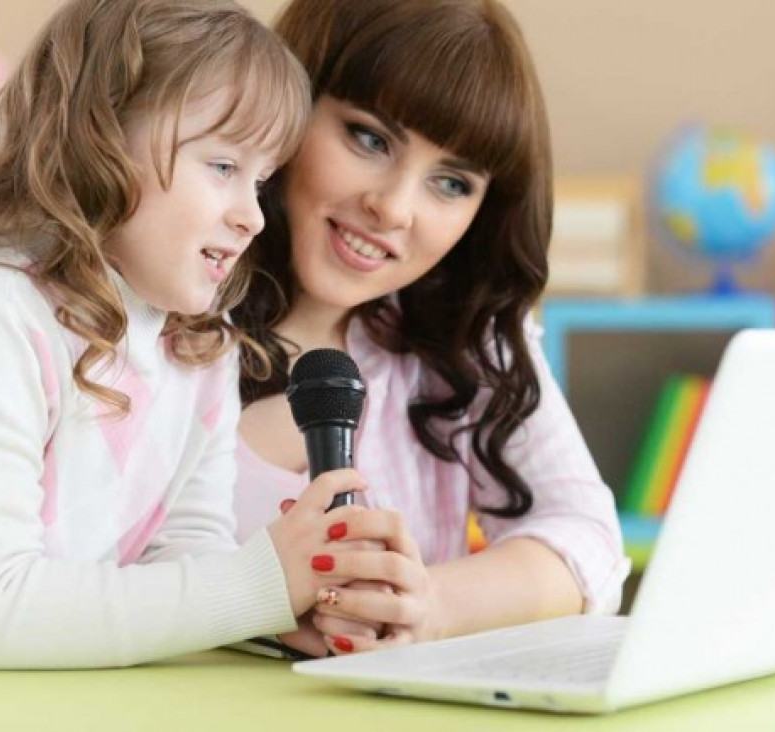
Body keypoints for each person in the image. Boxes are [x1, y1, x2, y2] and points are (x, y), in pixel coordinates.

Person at [0, 0, 374, 679]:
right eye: (222, 166)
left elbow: (182, 558)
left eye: (261, 180)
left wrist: (276, 608)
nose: (251, 217)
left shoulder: (196, 348)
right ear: (98, 142)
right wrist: (260, 583)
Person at [231, 0, 630, 658]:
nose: (391, 208)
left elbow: (585, 538)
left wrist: (428, 607)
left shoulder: (465, 337)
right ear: (288, 103)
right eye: (368, 138)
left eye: (450, 183)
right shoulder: (167, 315)